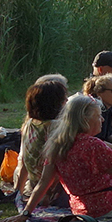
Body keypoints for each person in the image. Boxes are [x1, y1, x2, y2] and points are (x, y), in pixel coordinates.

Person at [4, 93, 112, 222]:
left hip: (85, 210)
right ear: (85, 121)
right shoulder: (92, 145)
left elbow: (43, 183)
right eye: (98, 116)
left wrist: (26, 213)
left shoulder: (57, 145)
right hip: (111, 209)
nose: (101, 119)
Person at [14, 74, 69, 207]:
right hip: (53, 190)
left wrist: (17, 192)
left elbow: (23, 163)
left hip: (34, 186)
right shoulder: (56, 127)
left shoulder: (30, 124)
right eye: (64, 98)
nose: (67, 100)